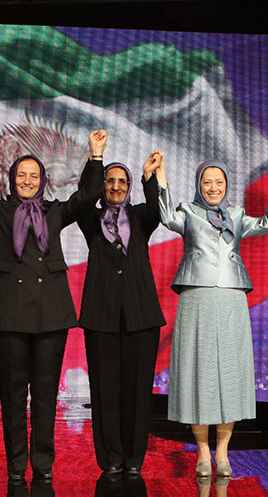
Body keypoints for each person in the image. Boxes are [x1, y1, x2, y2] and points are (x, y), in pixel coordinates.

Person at [0, 122, 107, 482]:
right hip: (8, 317)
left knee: (44, 396)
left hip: (50, 316)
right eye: (21, 174)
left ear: (43, 180)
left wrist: (96, 156)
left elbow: (86, 196)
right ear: (11, 178)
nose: (26, 180)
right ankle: (15, 468)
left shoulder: (55, 212)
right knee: (12, 398)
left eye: (33, 175)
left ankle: (43, 466)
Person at [156, 157, 268, 477]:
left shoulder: (237, 214)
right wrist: (160, 178)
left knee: (228, 374)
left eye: (219, 183)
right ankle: (202, 451)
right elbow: (164, 216)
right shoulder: (188, 211)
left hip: (231, 296)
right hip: (196, 295)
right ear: (199, 185)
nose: (213, 188)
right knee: (198, 373)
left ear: (227, 185)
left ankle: (223, 452)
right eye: (207, 182)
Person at [77, 152, 166, 476]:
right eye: (110, 181)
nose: (115, 187)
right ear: (102, 187)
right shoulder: (90, 218)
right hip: (100, 315)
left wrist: (148, 177)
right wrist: (95, 159)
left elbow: (159, 209)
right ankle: (110, 457)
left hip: (140, 315)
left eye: (121, 182)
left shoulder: (142, 216)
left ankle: (133, 458)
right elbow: (83, 196)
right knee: (104, 390)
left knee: (137, 390)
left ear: (129, 187)